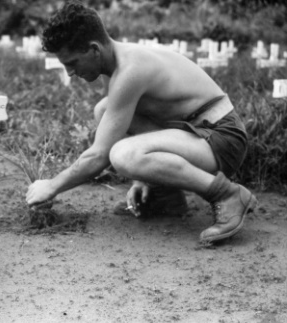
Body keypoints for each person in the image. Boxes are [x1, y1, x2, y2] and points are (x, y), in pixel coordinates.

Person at [26, 0, 257, 243]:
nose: (70, 73)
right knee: (103, 111)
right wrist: (144, 179)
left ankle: (228, 195)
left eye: (72, 63)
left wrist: (52, 185)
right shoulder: (115, 64)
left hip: (223, 138)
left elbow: (99, 156)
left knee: (123, 155)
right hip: (197, 132)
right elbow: (118, 129)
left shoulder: (130, 70)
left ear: (94, 49)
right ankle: (164, 196)